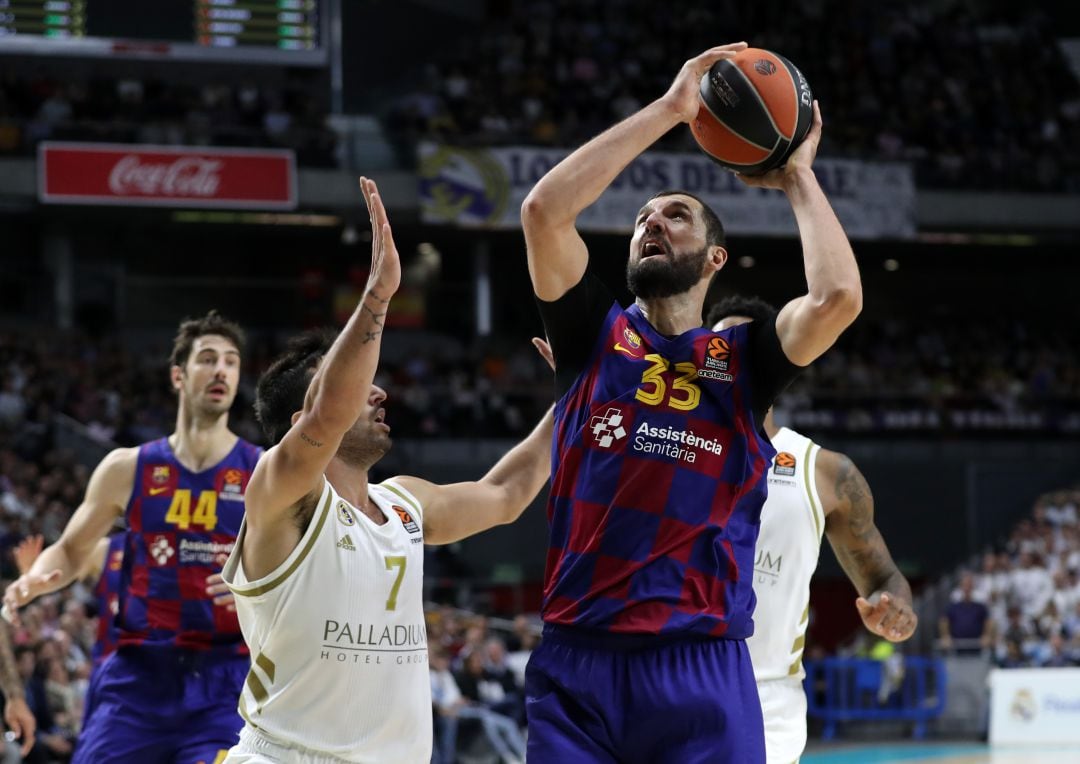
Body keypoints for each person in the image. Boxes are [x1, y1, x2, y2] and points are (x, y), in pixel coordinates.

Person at [519, 40, 862, 762]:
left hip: (699, 666)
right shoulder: (592, 337)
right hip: (577, 664)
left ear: (714, 259)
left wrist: (797, 174)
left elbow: (836, 299)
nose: (652, 223)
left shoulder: (746, 361)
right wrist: (675, 107)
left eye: (675, 215)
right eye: (643, 217)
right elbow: (545, 211)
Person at [219, 177, 553, 763]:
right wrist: (376, 298)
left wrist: (575, 398)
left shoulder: (404, 503)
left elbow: (505, 493)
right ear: (303, 418)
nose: (377, 392)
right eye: (354, 385)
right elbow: (330, 411)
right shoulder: (279, 492)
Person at [3, 310, 262, 764]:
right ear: (178, 375)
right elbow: (69, 549)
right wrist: (37, 579)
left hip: (225, 681)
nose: (221, 369)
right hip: (139, 679)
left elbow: (306, 565)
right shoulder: (128, 467)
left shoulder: (262, 471)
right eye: (207, 358)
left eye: (231, 361)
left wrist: (263, 588)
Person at [709, 295, 916, 763]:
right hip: (670, 680)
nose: (730, 358)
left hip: (766, 700)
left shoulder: (825, 472)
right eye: (719, 347)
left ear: (775, 357)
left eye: (745, 346)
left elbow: (884, 579)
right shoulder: (666, 449)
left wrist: (895, 608)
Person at [939, 571, 993, 655]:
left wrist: (986, 635)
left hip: (976, 647)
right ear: (961, 587)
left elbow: (988, 621)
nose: (967, 588)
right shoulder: (953, 607)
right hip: (957, 647)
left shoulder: (980, 607)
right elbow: (944, 621)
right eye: (965, 585)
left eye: (969, 585)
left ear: (972, 587)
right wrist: (946, 636)